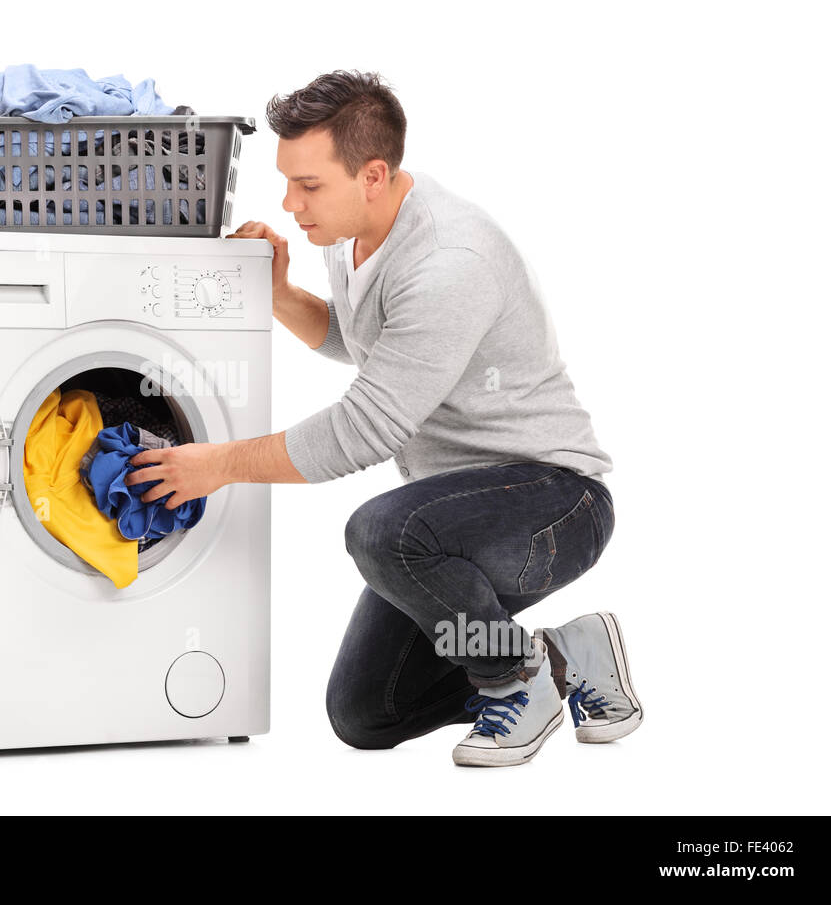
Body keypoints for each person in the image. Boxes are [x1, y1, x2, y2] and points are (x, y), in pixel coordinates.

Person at [123, 70, 642, 766]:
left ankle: (510, 680)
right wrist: (277, 293)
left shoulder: (450, 261)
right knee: (368, 712)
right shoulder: (356, 231)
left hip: (551, 505)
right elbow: (365, 342)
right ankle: (557, 658)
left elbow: (363, 431)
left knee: (381, 531)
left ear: (372, 175)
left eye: (309, 186)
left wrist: (215, 466)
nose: (290, 203)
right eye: (287, 183)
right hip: (453, 517)